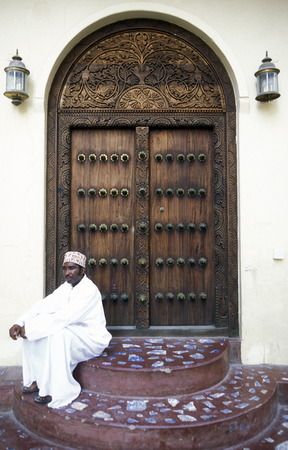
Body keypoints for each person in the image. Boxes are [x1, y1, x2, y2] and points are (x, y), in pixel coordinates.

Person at [9, 251, 112, 409]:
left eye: (71, 268)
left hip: (91, 339)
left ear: (82, 270)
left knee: (57, 334)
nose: (67, 273)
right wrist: (21, 321)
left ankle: (60, 391)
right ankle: (35, 380)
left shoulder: (89, 291)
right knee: (36, 330)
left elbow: (65, 317)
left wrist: (30, 328)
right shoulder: (66, 287)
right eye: (65, 269)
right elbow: (44, 305)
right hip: (72, 331)